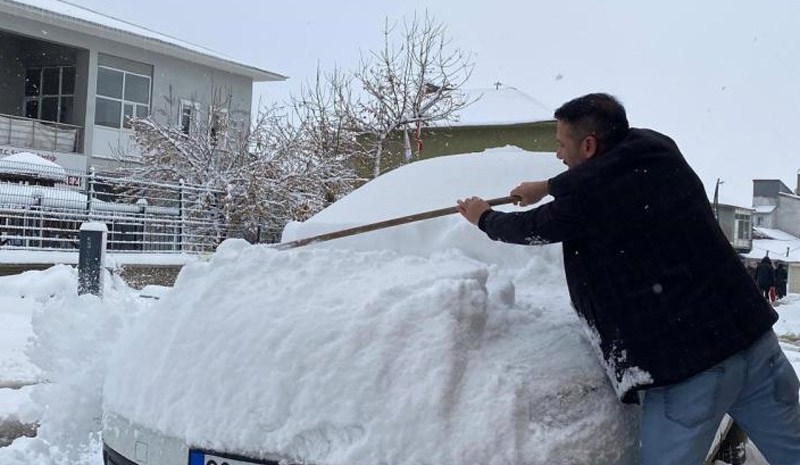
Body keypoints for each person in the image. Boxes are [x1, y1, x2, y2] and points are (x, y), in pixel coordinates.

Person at [456, 93, 800, 465]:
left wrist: (484, 217)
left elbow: (530, 227)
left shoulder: (587, 199)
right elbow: (605, 172)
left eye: (561, 144)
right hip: (754, 343)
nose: (557, 154)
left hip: (690, 370)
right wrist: (549, 186)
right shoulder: (657, 148)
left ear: (588, 145)